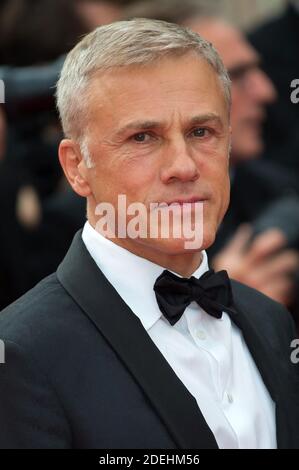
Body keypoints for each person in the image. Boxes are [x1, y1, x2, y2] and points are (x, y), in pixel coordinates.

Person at [0, 19, 298, 449]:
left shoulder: (271, 321)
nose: (184, 165)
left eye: (201, 132)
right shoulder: (22, 354)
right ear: (76, 167)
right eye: (143, 137)